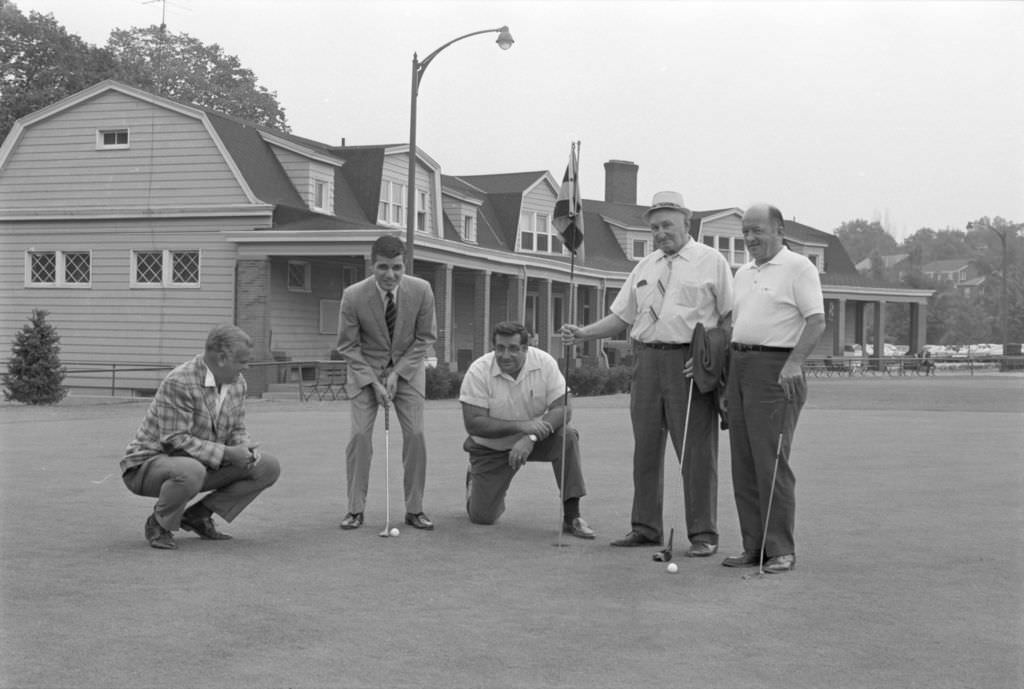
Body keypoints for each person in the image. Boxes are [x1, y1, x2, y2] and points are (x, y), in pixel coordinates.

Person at [561, 191, 733, 555]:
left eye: (667, 224)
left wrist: (711, 359)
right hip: (646, 362)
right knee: (646, 452)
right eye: (655, 226)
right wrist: (583, 333)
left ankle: (703, 535)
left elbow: (730, 318)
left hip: (688, 365)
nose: (661, 232)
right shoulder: (645, 266)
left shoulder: (711, 261)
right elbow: (623, 317)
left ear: (687, 222)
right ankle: (645, 527)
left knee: (696, 454)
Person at [722, 203, 825, 573]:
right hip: (740, 367)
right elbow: (737, 325)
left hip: (777, 369)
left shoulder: (799, 267)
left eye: (757, 231)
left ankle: (781, 549)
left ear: (779, 229)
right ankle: (754, 546)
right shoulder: (743, 272)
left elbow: (816, 321)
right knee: (744, 464)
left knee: (771, 461)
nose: (749, 238)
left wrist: (794, 363)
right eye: (745, 232)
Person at [121, 325, 281, 550]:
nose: (247, 367)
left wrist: (243, 447)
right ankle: (159, 524)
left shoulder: (237, 383)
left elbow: (236, 427)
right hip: (147, 466)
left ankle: (197, 516)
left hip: (198, 463)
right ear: (222, 358)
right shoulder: (179, 381)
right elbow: (175, 440)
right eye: (242, 361)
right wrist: (227, 453)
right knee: (190, 470)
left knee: (267, 466)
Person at [336, 235, 438, 531]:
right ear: (372, 264)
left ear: (405, 265)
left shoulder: (422, 290)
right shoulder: (353, 295)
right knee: (359, 437)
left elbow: (425, 339)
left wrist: (396, 375)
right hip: (365, 370)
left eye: (396, 267)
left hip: (408, 371)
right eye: (383, 267)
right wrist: (374, 382)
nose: (390, 275)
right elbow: (348, 346)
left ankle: (415, 509)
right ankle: (355, 509)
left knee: (416, 434)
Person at [459, 321, 595, 539]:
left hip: (535, 440)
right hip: (491, 448)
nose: (505, 355)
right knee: (482, 517)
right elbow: (474, 423)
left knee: (567, 436)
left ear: (525, 348)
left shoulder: (544, 363)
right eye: (500, 348)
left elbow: (564, 408)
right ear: (493, 347)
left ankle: (572, 516)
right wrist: (521, 426)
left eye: (513, 348)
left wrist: (530, 436)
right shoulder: (478, 371)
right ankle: (474, 480)